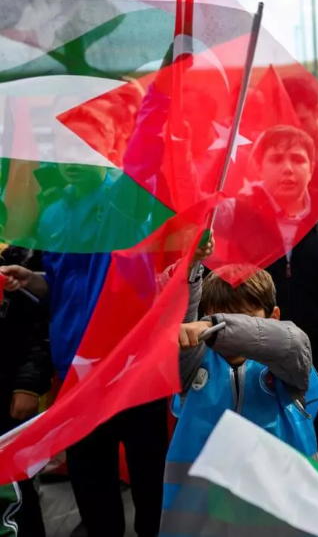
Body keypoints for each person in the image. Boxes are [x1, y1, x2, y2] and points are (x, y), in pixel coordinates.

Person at [2, 105, 165, 537]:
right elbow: (59, 285)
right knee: (92, 488)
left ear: (109, 150)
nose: (70, 161)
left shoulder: (124, 202)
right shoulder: (53, 212)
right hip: (76, 377)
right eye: (62, 150)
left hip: (132, 370)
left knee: (151, 485)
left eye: (84, 149)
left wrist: (165, 90)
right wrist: (32, 281)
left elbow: (147, 152)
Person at [220, 125, 318, 477]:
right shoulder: (237, 220)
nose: (288, 167)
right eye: (277, 159)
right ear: (259, 167)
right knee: (266, 461)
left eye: (298, 159)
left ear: (311, 168)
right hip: (257, 362)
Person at [162, 265, 318, 526]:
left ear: (274, 317)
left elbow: (292, 342)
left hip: (279, 515)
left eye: (246, 318)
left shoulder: (286, 365)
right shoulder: (194, 365)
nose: (229, 337)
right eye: (218, 317)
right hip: (205, 519)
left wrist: (218, 327)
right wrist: (192, 272)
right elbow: (180, 322)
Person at [0, 245, 50, 537]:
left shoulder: (17, 249)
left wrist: (28, 384)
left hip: (7, 399)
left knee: (17, 491)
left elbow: (36, 327)